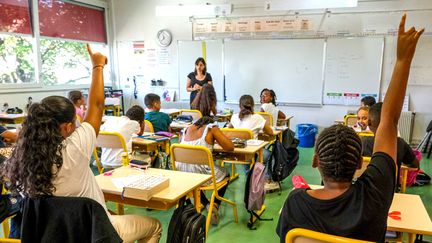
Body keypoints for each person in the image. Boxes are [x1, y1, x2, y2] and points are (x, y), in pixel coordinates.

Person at [276, 14, 423, 242]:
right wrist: (403, 61)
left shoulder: (295, 203)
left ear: (315, 161)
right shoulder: (375, 195)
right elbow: (388, 122)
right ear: (358, 164)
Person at [2, 44, 162, 243]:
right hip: (92, 233)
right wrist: (98, 66)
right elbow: (96, 105)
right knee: (154, 226)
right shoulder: (74, 148)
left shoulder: (21, 159)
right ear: (68, 127)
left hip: (50, 236)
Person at [176, 116, 234, 226]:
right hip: (201, 173)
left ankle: (206, 204)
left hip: (182, 173)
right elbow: (230, 147)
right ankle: (215, 205)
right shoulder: (212, 128)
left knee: (195, 181)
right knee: (226, 173)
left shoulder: (186, 129)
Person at [362, 102, 419, 190]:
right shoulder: (400, 143)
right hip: (391, 196)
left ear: (369, 122)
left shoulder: (361, 142)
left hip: (364, 191)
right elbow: (415, 165)